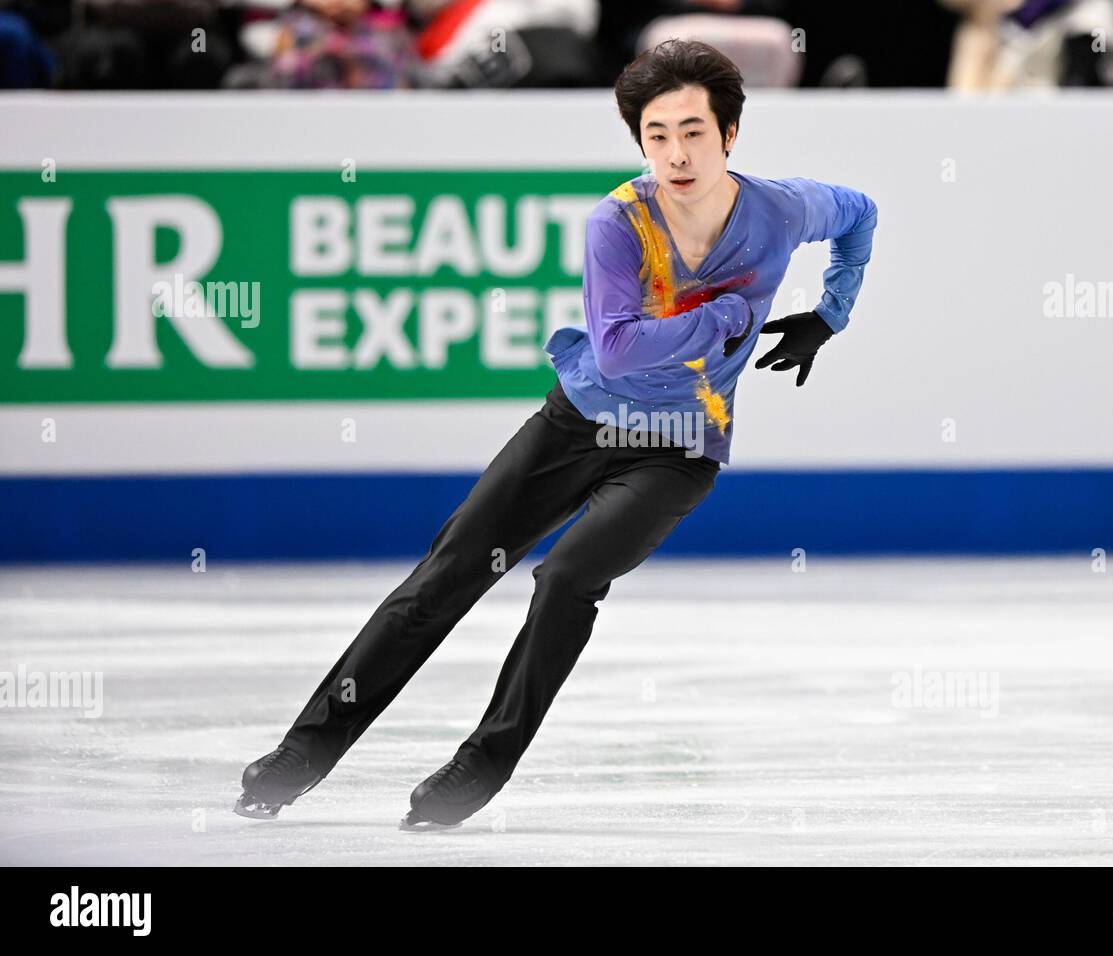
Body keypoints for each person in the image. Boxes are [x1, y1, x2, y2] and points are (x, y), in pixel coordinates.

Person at [234, 36, 878, 830]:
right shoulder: (618, 221)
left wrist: (830, 314)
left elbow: (861, 213)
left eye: (694, 132)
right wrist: (727, 317)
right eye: (657, 136)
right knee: (448, 574)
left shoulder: (782, 208)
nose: (676, 153)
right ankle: (305, 750)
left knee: (566, 576)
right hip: (575, 425)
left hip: (679, 449)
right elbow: (616, 345)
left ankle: (481, 765)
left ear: (730, 135)